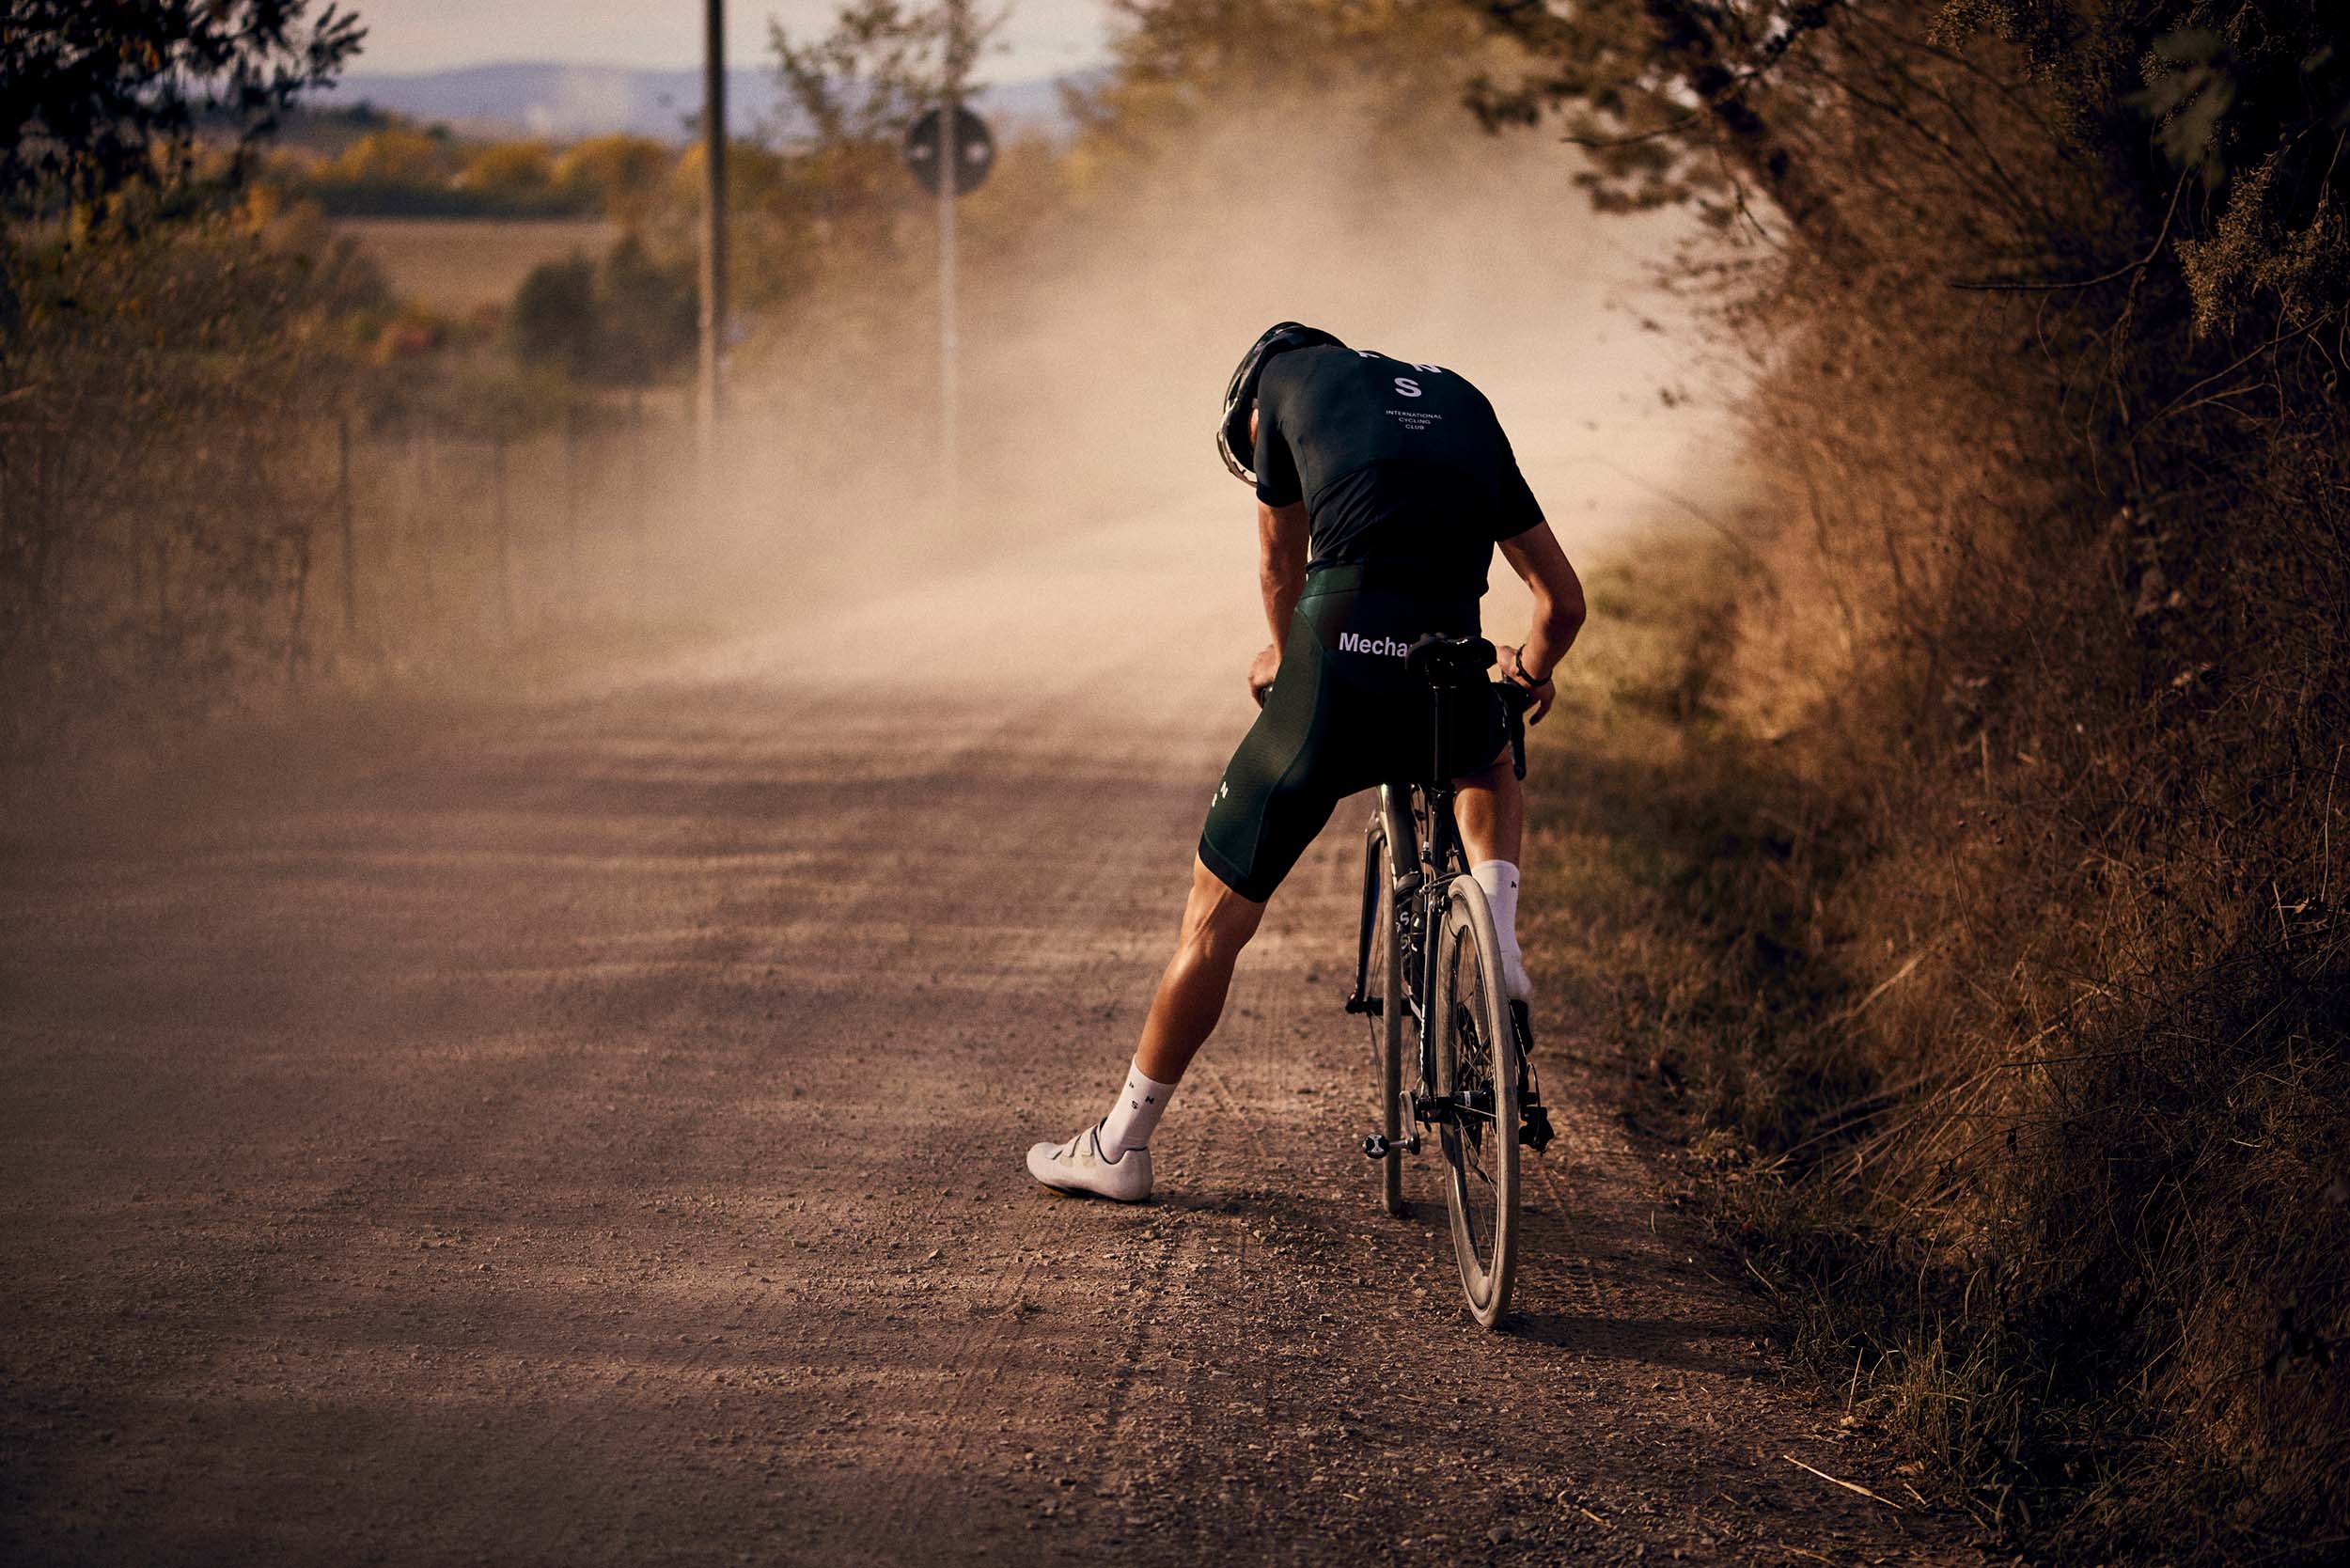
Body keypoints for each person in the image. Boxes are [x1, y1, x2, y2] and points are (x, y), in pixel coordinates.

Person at [1026, 322, 1587, 1201]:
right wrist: (1525, 678)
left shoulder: (1280, 387)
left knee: (1212, 920)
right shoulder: (1463, 401)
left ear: (1249, 414)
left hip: (1341, 664)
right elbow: (1564, 602)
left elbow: (1280, 566)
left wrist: (1290, 668)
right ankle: (1500, 934)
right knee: (1487, 746)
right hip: (1449, 665)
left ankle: (1120, 1146)